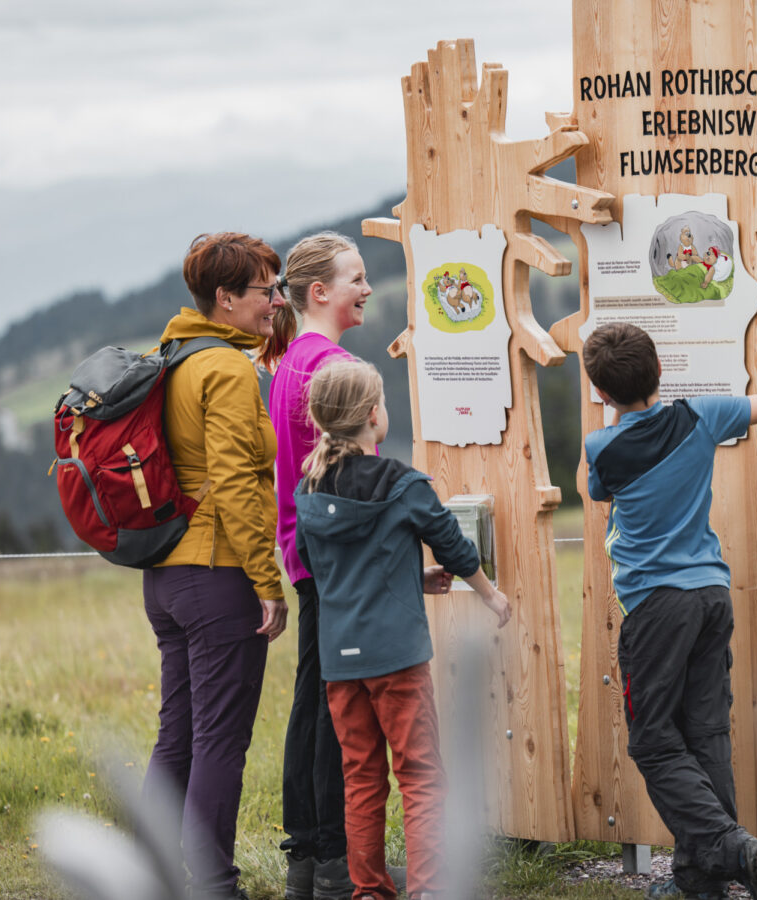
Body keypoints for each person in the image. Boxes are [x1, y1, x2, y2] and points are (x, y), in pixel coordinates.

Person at [581, 322, 757, 900]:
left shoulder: (603, 446)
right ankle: (702, 883)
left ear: (601, 393)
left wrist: (611, 413)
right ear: (659, 371)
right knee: (705, 732)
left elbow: (598, 492)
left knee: (653, 741)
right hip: (711, 594)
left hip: (655, 608)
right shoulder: (703, 415)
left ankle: (731, 850)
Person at [294, 358, 511, 900]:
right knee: (420, 777)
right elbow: (453, 544)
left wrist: (409, 575)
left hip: (340, 663)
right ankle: (430, 890)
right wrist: (490, 594)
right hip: (397, 659)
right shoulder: (403, 483)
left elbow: (325, 565)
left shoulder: (310, 489)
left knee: (361, 780)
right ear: (373, 415)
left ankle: (368, 892)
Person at [144, 231, 289, 900]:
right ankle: (213, 885)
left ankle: (149, 872)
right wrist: (267, 582)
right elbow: (236, 483)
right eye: (266, 291)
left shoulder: (171, 354)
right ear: (226, 299)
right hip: (217, 572)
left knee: (178, 735)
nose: (276, 301)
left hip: (167, 574)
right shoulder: (227, 371)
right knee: (220, 743)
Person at [262, 231, 378, 900]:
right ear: (320, 292)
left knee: (312, 706)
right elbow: (347, 478)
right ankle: (336, 863)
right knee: (341, 714)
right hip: (339, 559)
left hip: (305, 553)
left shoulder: (288, 364)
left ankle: (307, 860)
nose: (366, 289)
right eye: (356, 278)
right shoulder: (327, 368)